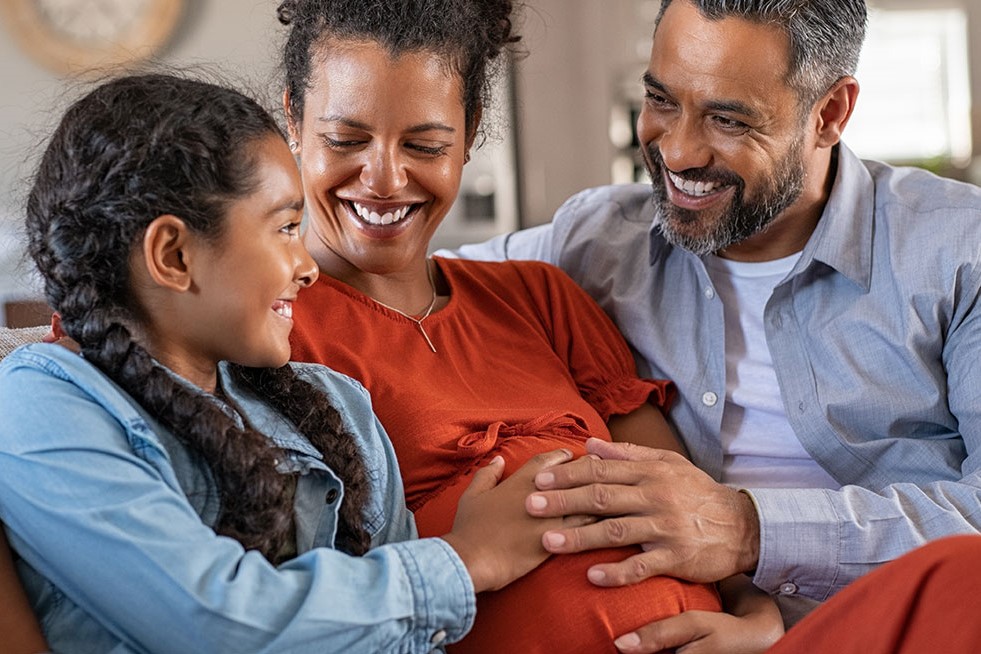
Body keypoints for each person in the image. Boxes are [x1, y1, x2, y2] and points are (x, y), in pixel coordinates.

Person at [451, 0, 981, 649]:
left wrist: (745, 529)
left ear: (829, 114)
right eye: (661, 101)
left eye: (727, 119)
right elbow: (396, 285)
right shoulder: (591, 243)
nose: (676, 150)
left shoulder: (959, 248)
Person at [0, 72, 577, 653]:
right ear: (173, 255)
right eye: (284, 229)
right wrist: (465, 559)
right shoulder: (39, 405)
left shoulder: (338, 405)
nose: (307, 267)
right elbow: (216, 624)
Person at [275, 0, 783, 652]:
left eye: (425, 145)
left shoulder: (539, 297)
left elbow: (682, 503)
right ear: (293, 117)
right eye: (345, 140)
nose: (383, 179)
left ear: (470, 131)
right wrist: (459, 547)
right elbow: (281, 581)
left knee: (947, 577)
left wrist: (755, 615)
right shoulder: (268, 327)